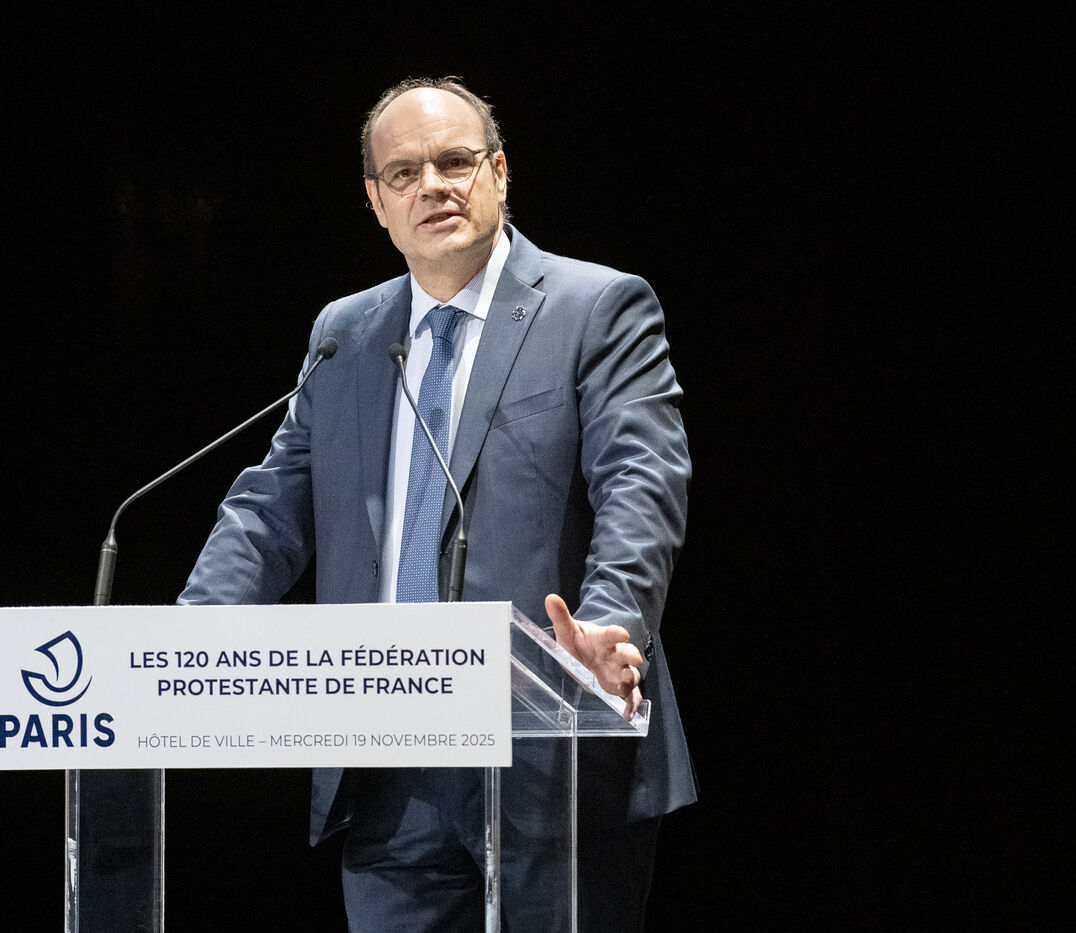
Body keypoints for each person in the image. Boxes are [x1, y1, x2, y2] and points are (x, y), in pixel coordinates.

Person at [179, 76, 695, 932]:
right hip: (387, 769)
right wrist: (186, 639)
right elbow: (270, 509)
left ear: (499, 171)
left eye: (455, 162)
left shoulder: (597, 307)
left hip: (552, 756)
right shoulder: (345, 335)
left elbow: (641, 482)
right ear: (376, 201)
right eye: (405, 172)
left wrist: (610, 627)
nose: (433, 186)